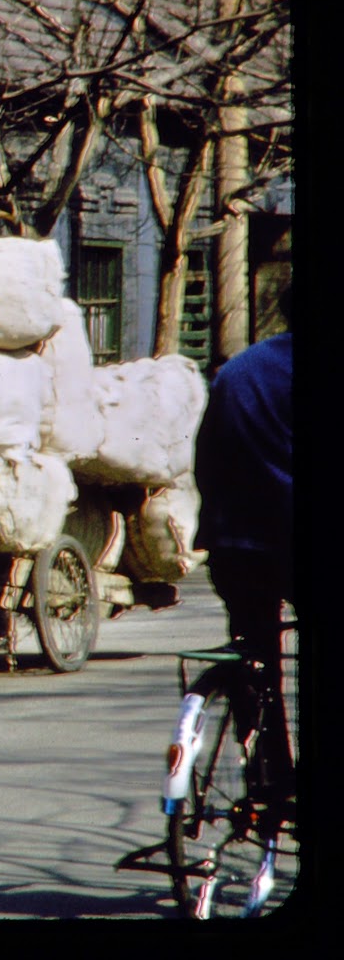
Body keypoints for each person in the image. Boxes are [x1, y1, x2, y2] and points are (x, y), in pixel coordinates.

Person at [191, 287, 294, 794]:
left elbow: (204, 459)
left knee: (255, 658)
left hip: (233, 543)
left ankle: (267, 775)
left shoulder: (238, 371)